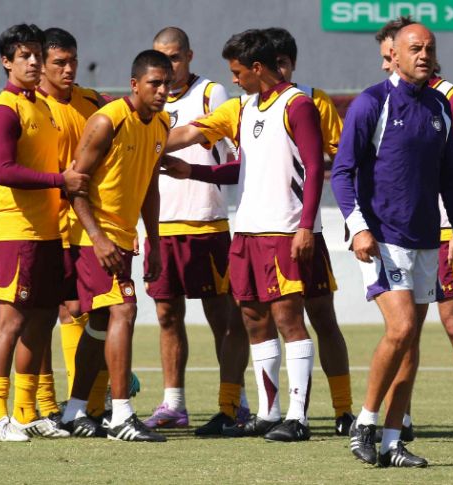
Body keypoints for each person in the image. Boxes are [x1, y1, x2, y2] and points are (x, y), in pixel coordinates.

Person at [161, 29, 325, 442]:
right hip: (247, 231)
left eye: (237, 72)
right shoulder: (244, 108)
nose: (232, 79)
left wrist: (305, 225)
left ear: (257, 67)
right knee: (253, 319)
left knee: (289, 319)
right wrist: (193, 169)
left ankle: (298, 417)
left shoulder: (298, 104)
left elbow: (315, 167)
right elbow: (244, 169)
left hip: (283, 229)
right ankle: (269, 414)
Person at [330, 23, 453, 467]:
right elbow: (342, 173)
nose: (423, 55)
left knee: (411, 341)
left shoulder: (440, 106)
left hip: (426, 241)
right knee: (399, 330)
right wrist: (358, 227)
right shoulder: (371, 102)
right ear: (392, 54)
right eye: (415, 48)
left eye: (429, 48)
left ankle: (393, 442)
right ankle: (366, 422)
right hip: (381, 240)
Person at [375, 16, 453, 446]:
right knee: (406, 328)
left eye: (392, 56)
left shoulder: (452, 99)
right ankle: (400, 419)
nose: (389, 64)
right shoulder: (386, 101)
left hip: (445, 232)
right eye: (388, 57)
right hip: (404, 233)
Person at [58, 49, 172, 442]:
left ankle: (74, 410)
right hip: (92, 235)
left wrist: (154, 239)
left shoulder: (162, 123)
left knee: (102, 324)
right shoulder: (107, 121)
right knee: (124, 308)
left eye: (167, 83)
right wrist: (98, 237)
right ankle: (121, 415)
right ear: (134, 84)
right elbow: (75, 184)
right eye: (154, 83)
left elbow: (151, 185)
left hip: (124, 236)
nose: (161, 91)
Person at [0, 23, 88, 441]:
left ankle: (26, 412)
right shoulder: (3, 109)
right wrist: (60, 180)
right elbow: (4, 171)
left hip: (47, 233)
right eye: (23, 55)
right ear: (6, 61)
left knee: (43, 320)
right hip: (15, 233)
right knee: (10, 321)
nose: (32, 61)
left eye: (36, 55)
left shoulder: (41, 108)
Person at [143, 26, 250, 435]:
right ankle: (174, 404)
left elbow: (227, 152)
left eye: (174, 57)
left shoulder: (212, 94)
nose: (168, 67)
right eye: (160, 58)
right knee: (167, 315)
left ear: (188, 55)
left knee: (223, 318)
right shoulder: (146, 99)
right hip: (161, 224)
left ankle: (234, 402)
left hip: (206, 222)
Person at [263, 26, 355, 436]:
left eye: (284, 63)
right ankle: (276, 410)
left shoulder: (312, 101)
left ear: (292, 64)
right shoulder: (252, 104)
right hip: (267, 229)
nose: (279, 71)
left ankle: (343, 409)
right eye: (273, 64)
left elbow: (340, 151)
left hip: (305, 230)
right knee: (270, 317)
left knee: (322, 316)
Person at [35, 26, 112, 425]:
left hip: (85, 224)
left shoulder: (91, 103)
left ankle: (89, 404)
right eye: (59, 63)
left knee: (90, 309)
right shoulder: (30, 105)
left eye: (72, 61)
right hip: (43, 226)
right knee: (49, 313)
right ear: (42, 65)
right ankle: (48, 403)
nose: (68, 69)